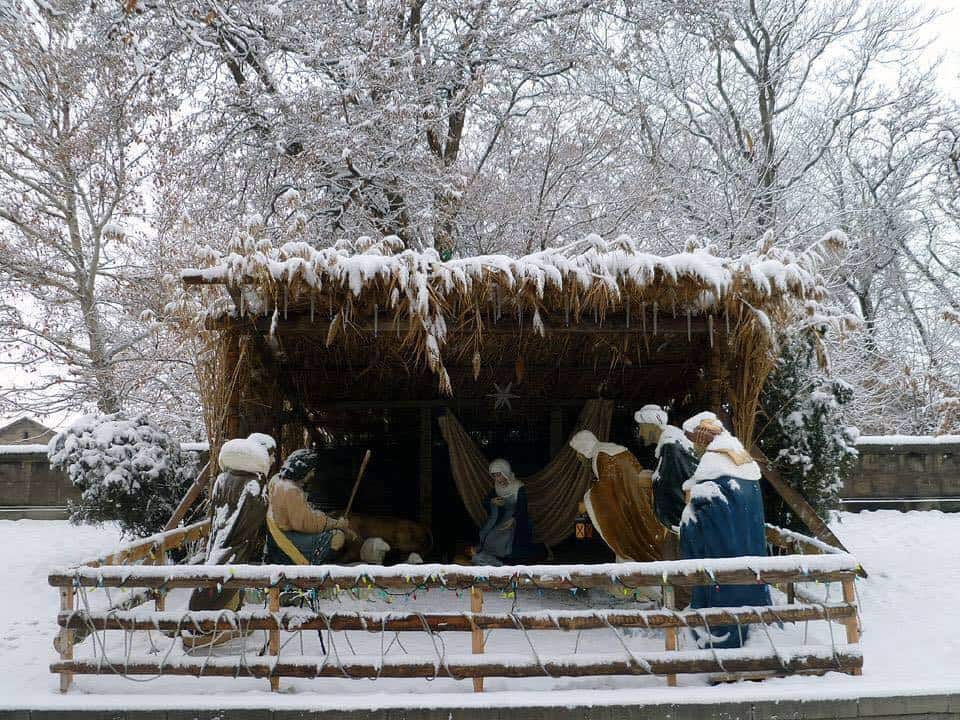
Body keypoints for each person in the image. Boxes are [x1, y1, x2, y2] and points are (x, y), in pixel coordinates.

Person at [678, 414, 771, 649]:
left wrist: (692, 502)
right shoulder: (739, 456)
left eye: (694, 441)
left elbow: (710, 503)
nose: (693, 447)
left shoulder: (713, 460)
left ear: (701, 438)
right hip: (747, 544)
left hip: (724, 549)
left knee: (722, 593)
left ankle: (721, 642)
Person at [187, 438, 271, 634]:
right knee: (225, 582)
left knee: (217, 575)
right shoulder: (253, 485)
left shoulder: (222, 479)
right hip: (235, 546)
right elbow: (254, 516)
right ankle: (210, 624)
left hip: (219, 543)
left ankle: (211, 618)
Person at [568, 430, 669, 562]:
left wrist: (586, 502)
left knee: (630, 548)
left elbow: (606, 489)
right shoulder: (608, 451)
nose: (577, 456)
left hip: (627, 504)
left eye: (577, 451)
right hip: (634, 500)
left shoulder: (602, 456)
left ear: (584, 449)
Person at [265, 449, 354, 564]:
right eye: (311, 471)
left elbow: (302, 513)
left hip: (280, 537)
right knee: (337, 536)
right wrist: (337, 524)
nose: (312, 474)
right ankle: (312, 565)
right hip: (287, 541)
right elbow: (307, 522)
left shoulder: (277, 481)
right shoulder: (290, 490)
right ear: (303, 469)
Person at [634, 405, 698, 531]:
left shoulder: (672, 447)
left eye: (641, 428)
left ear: (651, 425)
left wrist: (650, 480)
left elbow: (674, 488)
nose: (640, 433)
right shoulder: (670, 444)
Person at [470, 459, 537, 566]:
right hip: (501, 518)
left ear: (505, 473)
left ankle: (502, 560)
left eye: (499, 475)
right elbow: (486, 500)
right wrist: (492, 501)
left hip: (516, 519)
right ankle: (488, 556)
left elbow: (522, 507)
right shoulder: (497, 487)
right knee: (488, 535)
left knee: (503, 540)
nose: (497, 479)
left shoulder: (518, 487)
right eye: (494, 476)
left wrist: (514, 519)